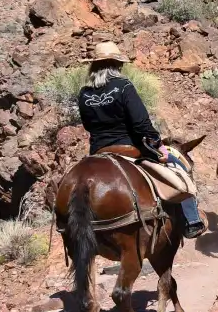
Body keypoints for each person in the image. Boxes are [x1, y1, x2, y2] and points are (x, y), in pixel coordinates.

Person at [77, 41, 205, 239]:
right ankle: (192, 221)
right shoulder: (124, 86)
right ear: (117, 65)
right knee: (177, 167)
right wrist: (158, 145)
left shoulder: (84, 93)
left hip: (98, 151)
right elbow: (141, 124)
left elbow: (87, 125)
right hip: (128, 148)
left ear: (94, 67)